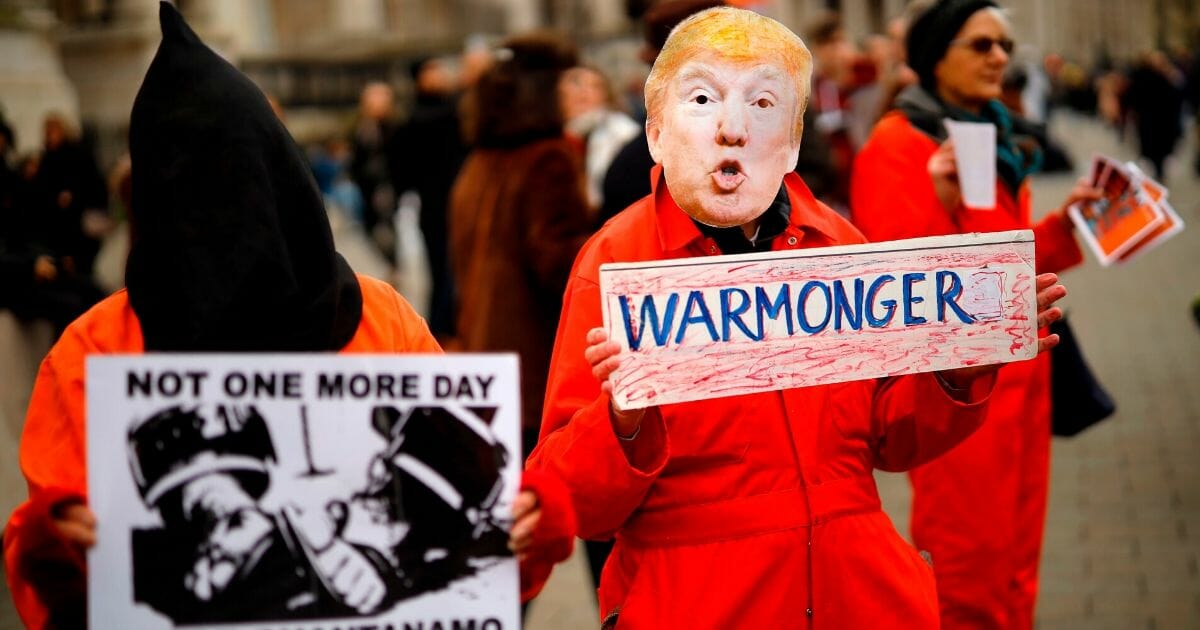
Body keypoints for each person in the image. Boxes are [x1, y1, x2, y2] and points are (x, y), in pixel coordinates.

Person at [2, 5, 574, 628]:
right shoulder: (94, 352)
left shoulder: (382, 319)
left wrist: (527, 523)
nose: (229, 231)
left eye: (245, 195)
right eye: (196, 207)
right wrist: (57, 542)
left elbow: (476, 542)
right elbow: (60, 588)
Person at [527, 7, 1069, 628]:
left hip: (861, 597)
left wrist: (961, 367)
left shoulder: (837, 244)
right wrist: (622, 419)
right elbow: (575, 498)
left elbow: (893, 435)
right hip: (702, 604)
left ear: (791, 139)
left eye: (762, 105)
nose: (733, 129)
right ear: (656, 130)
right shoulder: (617, 261)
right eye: (703, 98)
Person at [850, 1, 1100, 628]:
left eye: (1004, 46)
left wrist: (1067, 227)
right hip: (955, 389)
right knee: (968, 568)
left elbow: (999, 254)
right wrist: (936, 202)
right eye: (981, 45)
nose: (999, 58)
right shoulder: (897, 143)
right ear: (937, 57)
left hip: (1024, 375)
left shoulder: (989, 133)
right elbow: (898, 284)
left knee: (1018, 557)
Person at [449, 32, 593, 456]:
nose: (575, 92)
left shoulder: (477, 164)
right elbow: (556, 261)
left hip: (485, 355)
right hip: (535, 362)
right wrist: (610, 236)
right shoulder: (548, 159)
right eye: (566, 82)